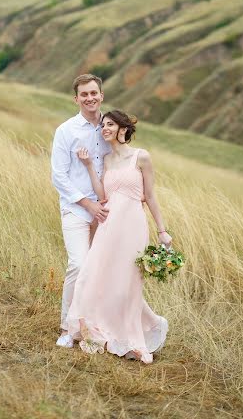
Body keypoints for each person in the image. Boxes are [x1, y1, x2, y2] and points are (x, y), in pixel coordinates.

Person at [65, 110, 172, 364]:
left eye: (110, 124)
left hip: (133, 225)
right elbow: (103, 195)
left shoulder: (141, 157)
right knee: (93, 275)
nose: (105, 128)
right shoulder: (106, 159)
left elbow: (151, 197)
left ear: (123, 128)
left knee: (127, 284)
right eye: (103, 125)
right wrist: (90, 166)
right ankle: (92, 329)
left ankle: (134, 337)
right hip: (108, 224)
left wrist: (162, 231)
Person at [51, 74, 111, 348]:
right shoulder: (66, 130)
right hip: (77, 208)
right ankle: (67, 328)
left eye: (94, 93)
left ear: (101, 95)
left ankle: (94, 325)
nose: (90, 98)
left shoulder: (111, 128)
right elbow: (58, 176)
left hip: (107, 212)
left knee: (100, 270)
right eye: (84, 94)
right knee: (78, 264)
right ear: (76, 99)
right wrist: (87, 204)